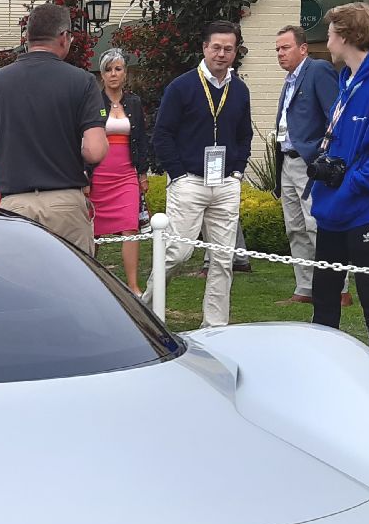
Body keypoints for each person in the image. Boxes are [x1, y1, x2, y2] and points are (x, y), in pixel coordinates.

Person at [0, 3, 104, 253]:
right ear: (63, 37)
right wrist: (63, 147)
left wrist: (13, 148)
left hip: (14, 205)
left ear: (27, 37)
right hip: (65, 202)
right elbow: (95, 151)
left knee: (19, 284)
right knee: (72, 285)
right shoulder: (82, 81)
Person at [309, 2, 369, 362]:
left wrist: (352, 182)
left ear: (346, 36)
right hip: (333, 207)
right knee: (324, 293)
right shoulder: (345, 78)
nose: (327, 39)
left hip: (364, 207)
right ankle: (324, 364)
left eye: (331, 32)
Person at [149, 21, 254, 327]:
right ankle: (146, 310)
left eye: (228, 49)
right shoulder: (182, 87)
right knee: (178, 252)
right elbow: (163, 134)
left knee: (223, 259)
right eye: (216, 47)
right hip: (190, 182)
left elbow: (244, 135)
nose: (221, 54)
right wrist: (178, 174)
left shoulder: (240, 90)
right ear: (205, 48)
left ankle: (215, 327)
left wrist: (237, 171)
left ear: (236, 52)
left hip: (225, 183)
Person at [272, 25, 340, 305]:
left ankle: (338, 287)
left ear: (303, 48)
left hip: (310, 163)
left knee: (315, 224)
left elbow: (335, 116)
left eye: (285, 47)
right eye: (277, 49)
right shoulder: (289, 80)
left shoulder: (318, 71)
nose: (280, 53)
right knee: (295, 227)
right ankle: (305, 288)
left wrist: (323, 157)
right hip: (287, 161)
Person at [91, 50, 151, 295]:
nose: (113, 74)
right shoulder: (93, 101)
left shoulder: (134, 102)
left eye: (118, 69)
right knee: (92, 230)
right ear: (101, 74)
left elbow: (141, 139)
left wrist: (142, 172)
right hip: (98, 174)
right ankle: (91, 279)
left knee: (130, 227)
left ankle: (133, 285)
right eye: (108, 69)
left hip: (126, 174)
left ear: (125, 72)